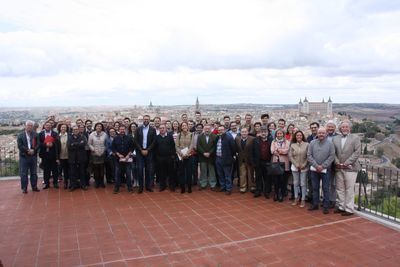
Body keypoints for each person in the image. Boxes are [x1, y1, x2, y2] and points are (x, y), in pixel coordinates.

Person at [332, 120, 361, 216]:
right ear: (340, 129)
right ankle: (341, 206)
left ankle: (349, 209)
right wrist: (337, 162)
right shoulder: (335, 138)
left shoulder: (355, 138)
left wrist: (346, 163)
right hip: (338, 167)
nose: (344, 128)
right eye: (343, 127)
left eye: (346, 127)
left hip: (350, 168)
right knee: (340, 188)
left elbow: (357, 152)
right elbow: (333, 152)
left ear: (350, 128)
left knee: (349, 189)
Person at [307, 127, 335, 214]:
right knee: (315, 188)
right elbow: (309, 155)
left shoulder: (330, 144)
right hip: (314, 170)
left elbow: (332, 156)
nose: (321, 135)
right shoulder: (312, 143)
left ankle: (326, 206)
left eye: (323, 133)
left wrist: (323, 166)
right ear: (317, 134)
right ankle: (315, 204)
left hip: (326, 170)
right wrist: (316, 166)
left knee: (325, 188)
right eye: (319, 133)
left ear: (326, 134)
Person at [135, 115, 157, 193]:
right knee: (140, 170)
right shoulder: (138, 129)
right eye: (145, 119)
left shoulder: (153, 130)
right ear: (143, 120)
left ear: (149, 120)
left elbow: (154, 141)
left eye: (147, 119)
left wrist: (148, 150)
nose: (146, 120)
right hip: (140, 152)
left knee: (149, 170)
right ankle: (140, 187)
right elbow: (136, 141)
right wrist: (141, 150)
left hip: (149, 152)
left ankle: (148, 186)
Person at [17, 120, 40, 194]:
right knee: (24, 173)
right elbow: (20, 146)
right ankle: (24, 188)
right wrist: (28, 150)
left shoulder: (36, 134)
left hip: (33, 156)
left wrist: (33, 150)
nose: (29, 127)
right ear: (25, 126)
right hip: (24, 157)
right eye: (28, 125)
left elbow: (38, 144)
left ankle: (34, 186)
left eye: (31, 125)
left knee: (34, 173)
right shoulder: (20, 135)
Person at [288, 131, 309, 207]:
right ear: (295, 136)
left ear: (302, 136)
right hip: (295, 167)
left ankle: (303, 199)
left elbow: (308, 155)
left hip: (304, 167)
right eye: (297, 135)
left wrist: (304, 164)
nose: (299, 136)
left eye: (300, 135)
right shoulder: (292, 145)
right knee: (296, 183)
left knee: (303, 184)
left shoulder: (307, 144)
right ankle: (296, 198)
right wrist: (296, 164)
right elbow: (290, 156)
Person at [112, 125, 134, 194]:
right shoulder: (115, 138)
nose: (122, 131)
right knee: (117, 174)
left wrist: (128, 155)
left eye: (123, 129)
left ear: (125, 130)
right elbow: (113, 148)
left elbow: (132, 148)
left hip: (127, 160)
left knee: (128, 174)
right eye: (121, 129)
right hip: (118, 159)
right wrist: (118, 154)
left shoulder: (129, 138)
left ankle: (130, 188)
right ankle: (116, 188)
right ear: (119, 130)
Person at [154, 124, 177, 191]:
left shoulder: (170, 136)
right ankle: (162, 186)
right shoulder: (157, 137)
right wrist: (157, 157)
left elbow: (173, 146)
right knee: (161, 173)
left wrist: (172, 155)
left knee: (171, 172)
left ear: (166, 129)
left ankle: (171, 186)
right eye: (160, 128)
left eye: (163, 128)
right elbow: (155, 148)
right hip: (160, 158)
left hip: (169, 157)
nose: (162, 129)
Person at [215, 125, 236, 195]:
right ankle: (222, 186)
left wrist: (231, 156)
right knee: (220, 174)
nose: (220, 131)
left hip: (226, 159)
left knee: (227, 175)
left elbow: (233, 148)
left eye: (222, 130)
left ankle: (228, 188)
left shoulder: (229, 137)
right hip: (218, 158)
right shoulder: (217, 137)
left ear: (224, 130)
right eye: (219, 130)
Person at [39, 121, 59, 189]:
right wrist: (45, 144)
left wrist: (52, 144)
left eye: (49, 125)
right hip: (45, 155)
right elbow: (39, 144)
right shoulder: (40, 134)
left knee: (55, 170)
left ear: (51, 126)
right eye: (46, 125)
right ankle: (46, 183)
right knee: (46, 170)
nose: (48, 126)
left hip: (53, 154)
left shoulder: (55, 134)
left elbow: (57, 143)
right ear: (44, 126)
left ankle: (55, 183)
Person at [252, 126, 272, 198]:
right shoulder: (255, 140)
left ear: (267, 133)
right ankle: (258, 191)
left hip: (268, 162)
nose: (263, 133)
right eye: (262, 132)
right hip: (258, 162)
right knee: (258, 177)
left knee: (267, 178)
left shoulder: (271, 140)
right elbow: (252, 151)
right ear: (259, 133)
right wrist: (254, 162)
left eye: (265, 132)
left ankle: (266, 192)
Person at [271, 129, 290, 202]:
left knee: (283, 180)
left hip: (284, 163)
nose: (279, 135)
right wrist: (281, 151)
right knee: (276, 180)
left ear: (283, 134)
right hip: (276, 162)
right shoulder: (273, 141)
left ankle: (281, 193)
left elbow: (287, 150)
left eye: (280, 133)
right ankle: (276, 193)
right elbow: (272, 150)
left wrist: (279, 150)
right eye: (278, 134)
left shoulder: (287, 142)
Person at [197, 124, 217, 190]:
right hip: (203, 156)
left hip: (211, 156)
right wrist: (203, 153)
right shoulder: (200, 136)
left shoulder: (214, 136)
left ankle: (213, 184)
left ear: (211, 129)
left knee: (212, 171)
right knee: (203, 171)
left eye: (208, 129)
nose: (207, 130)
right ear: (203, 129)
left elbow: (215, 146)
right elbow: (198, 146)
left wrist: (209, 153)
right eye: (206, 129)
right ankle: (203, 184)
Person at [68, 125, 88, 191]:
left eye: (76, 129)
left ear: (79, 130)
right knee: (72, 172)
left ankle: (83, 185)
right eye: (74, 130)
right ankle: (73, 185)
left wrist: (74, 144)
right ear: (72, 131)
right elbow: (69, 146)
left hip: (81, 157)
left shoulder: (83, 137)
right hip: (73, 158)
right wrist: (78, 144)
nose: (75, 131)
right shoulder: (70, 137)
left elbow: (83, 144)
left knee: (82, 172)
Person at [175, 122, 194, 193]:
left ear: (188, 126)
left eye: (185, 125)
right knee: (181, 172)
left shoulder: (191, 134)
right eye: (183, 125)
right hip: (181, 156)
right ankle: (182, 187)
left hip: (189, 156)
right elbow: (176, 146)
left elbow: (192, 145)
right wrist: (181, 154)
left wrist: (187, 153)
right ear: (181, 127)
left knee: (189, 172)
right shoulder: (179, 135)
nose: (184, 126)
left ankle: (189, 187)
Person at [235, 127, 255, 193]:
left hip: (250, 159)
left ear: (248, 132)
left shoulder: (252, 139)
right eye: (242, 132)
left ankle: (252, 186)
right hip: (241, 159)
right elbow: (236, 148)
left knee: (250, 173)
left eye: (245, 132)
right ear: (240, 132)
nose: (244, 133)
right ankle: (243, 187)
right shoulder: (237, 139)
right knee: (242, 174)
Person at [88, 122, 107, 188]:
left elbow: (106, 144)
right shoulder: (91, 134)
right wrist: (93, 150)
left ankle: (102, 182)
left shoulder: (104, 134)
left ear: (102, 127)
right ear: (95, 127)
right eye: (97, 126)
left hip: (102, 153)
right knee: (96, 168)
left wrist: (103, 150)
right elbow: (89, 144)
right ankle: (97, 182)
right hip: (94, 154)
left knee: (102, 168)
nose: (99, 127)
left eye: (100, 126)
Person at [326, 120, 338, 208]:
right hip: (324, 164)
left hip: (334, 164)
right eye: (328, 127)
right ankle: (326, 199)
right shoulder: (323, 136)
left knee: (333, 184)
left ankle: (332, 200)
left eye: (332, 127)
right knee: (325, 183)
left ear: (335, 128)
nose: (330, 128)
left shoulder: (338, 137)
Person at [58, 123, 70, 189]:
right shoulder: (57, 136)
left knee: (67, 170)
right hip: (60, 156)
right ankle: (64, 182)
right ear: (60, 128)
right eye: (62, 127)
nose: (63, 128)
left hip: (68, 156)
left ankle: (66, 183)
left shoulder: (69, 135)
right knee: (61, 169)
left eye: (65, 127)